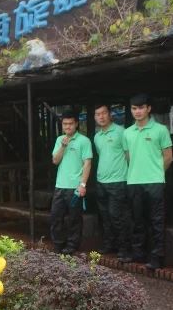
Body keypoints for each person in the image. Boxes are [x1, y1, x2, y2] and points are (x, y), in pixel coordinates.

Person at [122, 94, 173, 270]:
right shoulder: (127, 132)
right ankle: (139, 254)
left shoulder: (161, 130)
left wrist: (156, 173)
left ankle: (157, 258)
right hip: (134, 181)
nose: (137, 111)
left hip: (154, 182)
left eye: (141, 108)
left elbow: (168, 157)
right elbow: (128, 157)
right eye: (134, 108)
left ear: (149, 108)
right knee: (137, 220)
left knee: (156, 221)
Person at [50, 110, 93, 255]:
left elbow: (87, 164)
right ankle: (58, 244)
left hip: (75, 187)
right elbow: (55, 161)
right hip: (60, 185)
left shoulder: (84, 141)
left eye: (70, 124)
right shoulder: (59, 140)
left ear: (76, 124)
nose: (67, 126)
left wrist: (82, 184)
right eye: (65, 124)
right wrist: (63, 146)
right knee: (56, 216)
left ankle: (72, 245)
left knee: (74, 218)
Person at [93, 104, 131, 261]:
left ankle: (124, 249)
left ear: (110, 114)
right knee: (105, 216)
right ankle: (110, 244)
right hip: (101, 181)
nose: (101, 117)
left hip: (119, 181)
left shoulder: (121, 132)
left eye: (103, 113)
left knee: (117, 216)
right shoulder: (96, 136)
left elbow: (128, 155)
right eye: (97, 114)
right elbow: (102, 155)